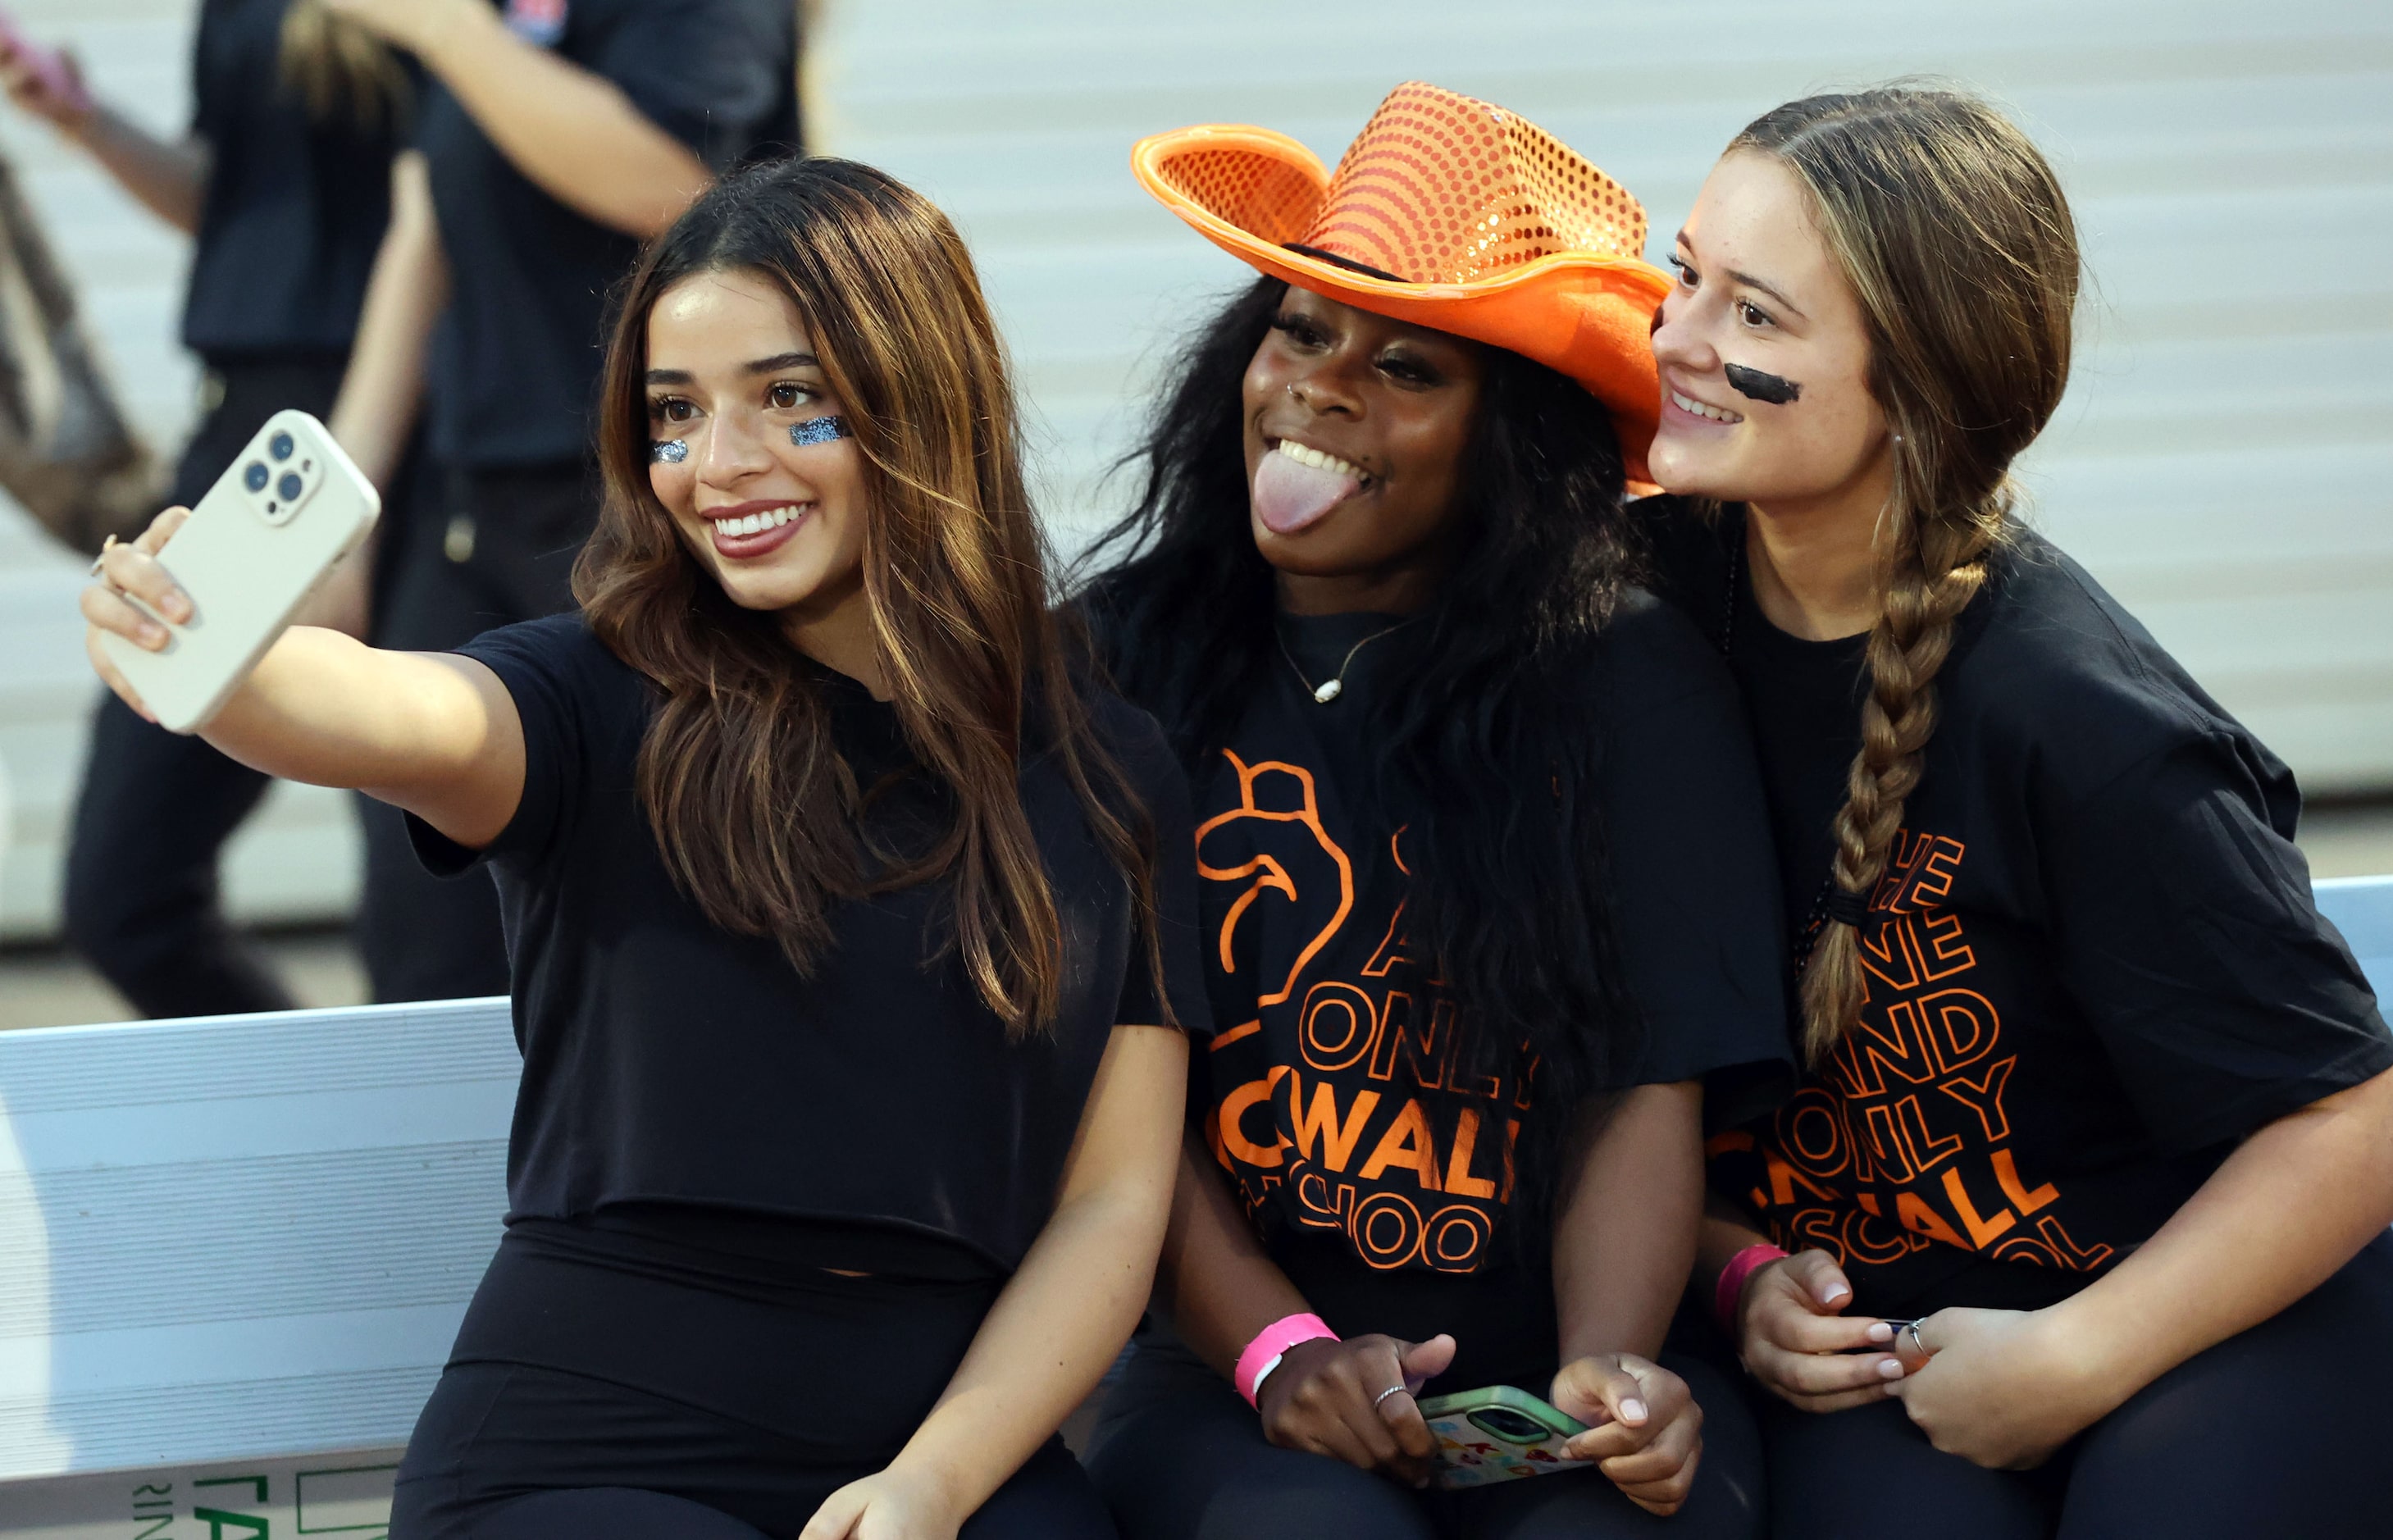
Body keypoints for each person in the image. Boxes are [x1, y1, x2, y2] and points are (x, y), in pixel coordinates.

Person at [82, 155, 1207, 1540]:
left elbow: (1109, 1206)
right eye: (674, 417)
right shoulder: (599, 692)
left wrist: (934, 1482)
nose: (717, 467)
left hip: (942, 1453)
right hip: (584, 1447)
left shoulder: (1104, 765)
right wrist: (213, 659)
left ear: (922, 397)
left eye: (788, 399)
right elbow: (398, 710)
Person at [1643, 85, 2393, 1538]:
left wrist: (2075, 1355)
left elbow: (2349, 1120)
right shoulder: (1632, 626)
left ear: (1914, 386)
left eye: (1754, 316)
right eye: (1684, 275)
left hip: (2206, 1304)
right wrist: (1734, 1273)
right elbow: (1616, 1068)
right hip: (1890, 1338)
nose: (1674, 339)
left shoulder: (2080, 719)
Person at [1077, 84, 1793, 1540]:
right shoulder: (1110, 663)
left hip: (1562, 1366)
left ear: (1509, 445)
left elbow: (1639, 1083)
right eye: (1295, 329)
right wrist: (1280, 1353)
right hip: (1224, 1371)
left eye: (1406, 367)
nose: (1320, 387)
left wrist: (1612, 1365)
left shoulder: (1627, 680)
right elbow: (1111, 1103)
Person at [312, 0, 800, 1001]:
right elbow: (421, 241)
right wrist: (341, 516)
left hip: (638, 512)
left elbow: (674, 186)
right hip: (468, 505)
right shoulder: (486, 24)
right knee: (419, 923)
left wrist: (446, 30)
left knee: (643, 900)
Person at [2, 0, 408, 1017]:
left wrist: (354, 491)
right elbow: (231, 203)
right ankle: (338, 1146)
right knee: (123, 896)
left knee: (430, 924)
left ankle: (438, 1160)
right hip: (247, 442)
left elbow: (450, 229)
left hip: (404, 442)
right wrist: (82, 115)